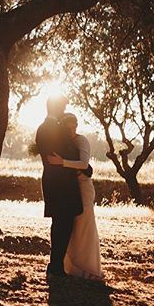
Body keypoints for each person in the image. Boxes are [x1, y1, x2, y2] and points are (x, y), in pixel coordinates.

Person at [36, 96, 92, 279]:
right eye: (63, 107)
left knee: (60, 225)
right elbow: (69, 153)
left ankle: (56, 265)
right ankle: (56, 267)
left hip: (54, 182)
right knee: (63, 226)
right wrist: (85, 166)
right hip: (62, 185)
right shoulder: (54, 129)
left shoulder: (43, 128)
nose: (63, 111)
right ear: (57, 108)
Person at [47, 113, 103, 280]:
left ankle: (89, 267)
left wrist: (62, 162)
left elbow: (84, 164)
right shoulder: (63, 142)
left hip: (83, 187)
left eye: (74, 127)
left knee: (85, 225)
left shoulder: (81, 141)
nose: (72, 131)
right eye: (68, 127)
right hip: (70, 189)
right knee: (73, 228)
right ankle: (71, 265)